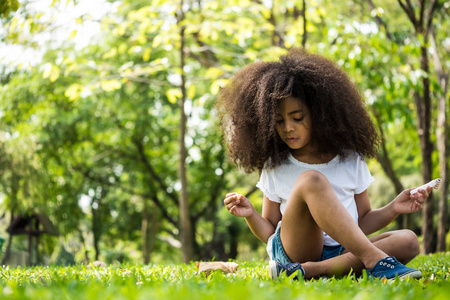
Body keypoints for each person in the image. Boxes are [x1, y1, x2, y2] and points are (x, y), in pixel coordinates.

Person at [217, 49, 430, 280]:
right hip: (297, 250)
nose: (288, 127)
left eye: (297, 118)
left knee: (408, 240)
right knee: (311, 180)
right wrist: (250, 214)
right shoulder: (276, 165)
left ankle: (308, 272)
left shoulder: (350, 159)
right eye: (279, 121)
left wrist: (394, 208)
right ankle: (373, 261)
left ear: (320, 114)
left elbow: (362, 221)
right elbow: (271, 230)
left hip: (342, 251)